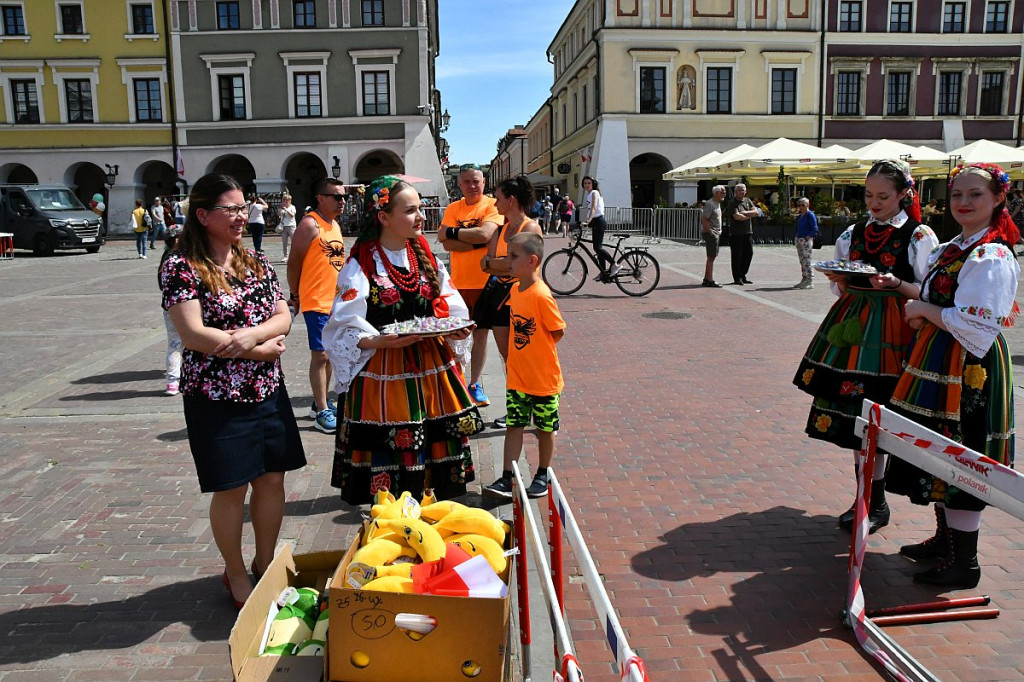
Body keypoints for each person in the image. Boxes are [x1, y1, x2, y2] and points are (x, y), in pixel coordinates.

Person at [160, 173, 306, 608]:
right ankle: (236, 572)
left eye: (244, 208)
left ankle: (264, 564)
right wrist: (251, 350)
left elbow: (284, 314)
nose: (242, 216)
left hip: (265, 390)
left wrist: (252, 337)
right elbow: (192, 333)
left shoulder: (253, 260)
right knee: (231, 488)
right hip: (215, 395)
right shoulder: (180, 264)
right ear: (203, 215)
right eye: (232, 209)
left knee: (272, 479)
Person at [872, 164, 1019, 589]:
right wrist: (916, 301)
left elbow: (978, 323)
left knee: (964, 453)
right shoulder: (958, 246)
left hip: (969, 366)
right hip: (941, 358)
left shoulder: (992, 254)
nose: (963, 203)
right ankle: (946, 542)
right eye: (957, 194)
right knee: (941, 450)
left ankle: (965, 563)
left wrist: (922, 312)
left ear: (996, 200)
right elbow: (936, 297)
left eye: (975, 195)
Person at [793, 159, 939, 534]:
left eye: (883, 196)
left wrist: (893, 284)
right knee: (860, 419)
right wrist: (840, 279)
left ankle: (876, 502)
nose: (874, 203)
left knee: (885, 415)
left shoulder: (919, 236)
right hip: (854, 330)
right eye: (869, 194)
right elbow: (842, 284)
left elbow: (928, 291)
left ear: (904, 194)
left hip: (897, 331)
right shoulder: (854, 232)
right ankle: (869, 501)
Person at [322, 175, 482, 505]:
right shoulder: (360, 264)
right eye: (410, 210)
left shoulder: (423, 256)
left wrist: (455, 326)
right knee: (394, 462)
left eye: (420, 208)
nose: (421, 217)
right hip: (385, 374)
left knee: (438, 458)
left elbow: (448, 300)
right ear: (383, 217)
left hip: (433, 371)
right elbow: (341, 326)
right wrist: (377, 341)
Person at [483, 232, 566, 499]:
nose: (508, 261)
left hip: (542, 378)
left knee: (545, 428)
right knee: (514, 425)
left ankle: (542, 472)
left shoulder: (541, 294)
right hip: (518, 377)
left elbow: (557, 330)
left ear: (531, 261)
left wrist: (536, 349)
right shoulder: (515, 289)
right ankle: (508, 476)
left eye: (513, 256)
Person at [478, 175, 545, 428]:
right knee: (509, 358)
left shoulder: (530, 228)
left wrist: (501, 265)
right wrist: (502, 265)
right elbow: (487, 265)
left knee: (526, 356)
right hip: (500, 298)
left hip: (524, 300)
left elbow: (516, 268)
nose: (495, 203)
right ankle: (518, 409)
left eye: (498, 197)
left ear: (511, 200)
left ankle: (535, 407)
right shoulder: (501, 229)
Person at [437, 164, 502, 407]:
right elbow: (444, 241)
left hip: (486, 282)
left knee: (481, 335)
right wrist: (473, 242)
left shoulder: (492, 205)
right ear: (460, 184)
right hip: (459, 283)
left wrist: (457, 235)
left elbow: (486, 235)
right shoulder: (454, 208)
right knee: (456, 336)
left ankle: (474, 383)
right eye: (467, 182)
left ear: (484, 181)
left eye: (476, 181)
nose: (472, 186)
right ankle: (457, 383)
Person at [286, 178, 347, 433]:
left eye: (343, 197)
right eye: (336, 197)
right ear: (321, 198)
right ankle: (322, 410)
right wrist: (294, 294)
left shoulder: (334, 224)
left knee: (331, 353)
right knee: (320, 355)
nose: (342, 201)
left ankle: (319, 402)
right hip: (315, 299)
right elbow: (294, 262)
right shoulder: (310, 224)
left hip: (334, 301)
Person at [158, 224, 184, 396]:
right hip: (182, 307)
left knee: (175, 344)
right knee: (179, 344)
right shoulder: (179, 260)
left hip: (169, 307)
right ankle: (174, 380)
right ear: (176, 239)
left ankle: (173, 382)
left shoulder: (165, 259)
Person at [580, 176, 620, 279]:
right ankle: (603, 272)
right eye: (585, 183)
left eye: (589, 183)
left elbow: (594, 208)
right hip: (596, 222)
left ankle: (614, 264)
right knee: (598, 248)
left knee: (597, 247)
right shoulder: (590, 194)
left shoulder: (594, 193)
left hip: (599, 221)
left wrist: (587, 221)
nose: (587, 185)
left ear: (593, 184)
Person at [727, 184, 761, 285]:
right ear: (735, 192)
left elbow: (756, 212)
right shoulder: (732, 202)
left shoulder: (747, 201)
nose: (742, 192)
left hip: (748, 232)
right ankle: (737, 277)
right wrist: (749, 216)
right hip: (736, 233)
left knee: (749, 253)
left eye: (743, 190)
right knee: (737, 255)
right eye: (739, 190)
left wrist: (745, 213)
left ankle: (743, 274)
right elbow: (737, 216)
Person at [700, 185, 726, 287]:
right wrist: (710, 232)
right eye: (722, 192)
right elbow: (705, 219)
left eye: (724, 192)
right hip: (712, 232)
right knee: (711, 256)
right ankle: (710, 279)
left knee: (711, 257)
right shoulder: (710, 204)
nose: (724, 193)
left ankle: (707, 278)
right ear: (716, 193)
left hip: (715, 232)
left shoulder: (717, 203)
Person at [793, 197, 819, 289]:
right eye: (799, 205)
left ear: (808, 205)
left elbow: (815, 229)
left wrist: (807, 237)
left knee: (807, 261)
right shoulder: (800, 216)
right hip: (799, 239)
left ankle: (810, 280)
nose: (801, 207)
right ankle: (804, 279)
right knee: (802, 261)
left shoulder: (810, 215)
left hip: (806, 241)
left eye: (803, 205)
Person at [278, 193, 297, 263]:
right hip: (284, 226)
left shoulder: (292, 207)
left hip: (291, 225)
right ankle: (285, 256)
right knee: (284, 242)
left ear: (290, 201)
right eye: (284, 200)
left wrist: (286, 210)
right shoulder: (282, 208)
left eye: (287, 200)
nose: (285, 202)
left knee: (294, 241)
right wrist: (280, 210)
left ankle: (294, 256)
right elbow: (278, 215)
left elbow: (292, 215)